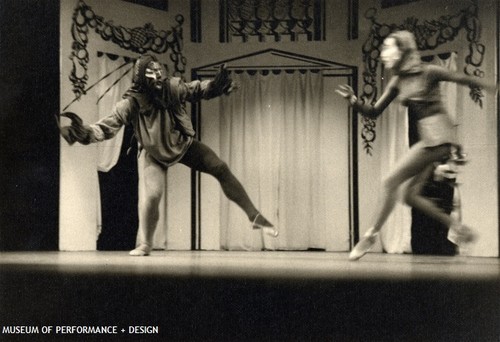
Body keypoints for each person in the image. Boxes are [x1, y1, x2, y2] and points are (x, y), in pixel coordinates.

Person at [59, 54, 278, 256]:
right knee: (153, 195)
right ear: (143, 84)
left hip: (182, 144)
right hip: (153, 153)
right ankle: (146, 243)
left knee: (219, 167)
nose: (159, 86)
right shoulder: (131, 103)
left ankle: (254, 216)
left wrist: (217, 86)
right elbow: (106, 127)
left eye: (160, 80)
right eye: (154, 82)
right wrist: (82, 133)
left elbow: (196, 89)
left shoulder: (173, 88)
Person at [336, 30, 497, 261]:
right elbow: (373, 112)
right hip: (431, 140)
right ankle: (459, 229)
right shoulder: (397, 81)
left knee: (390, 181)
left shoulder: (428, 71)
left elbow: (462, 79)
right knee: (409, 195)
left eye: (388, 47)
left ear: (403, 51)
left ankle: (370, 235)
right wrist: (353, 101)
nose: (384, 52)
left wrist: (493, 87)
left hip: (439, 137)